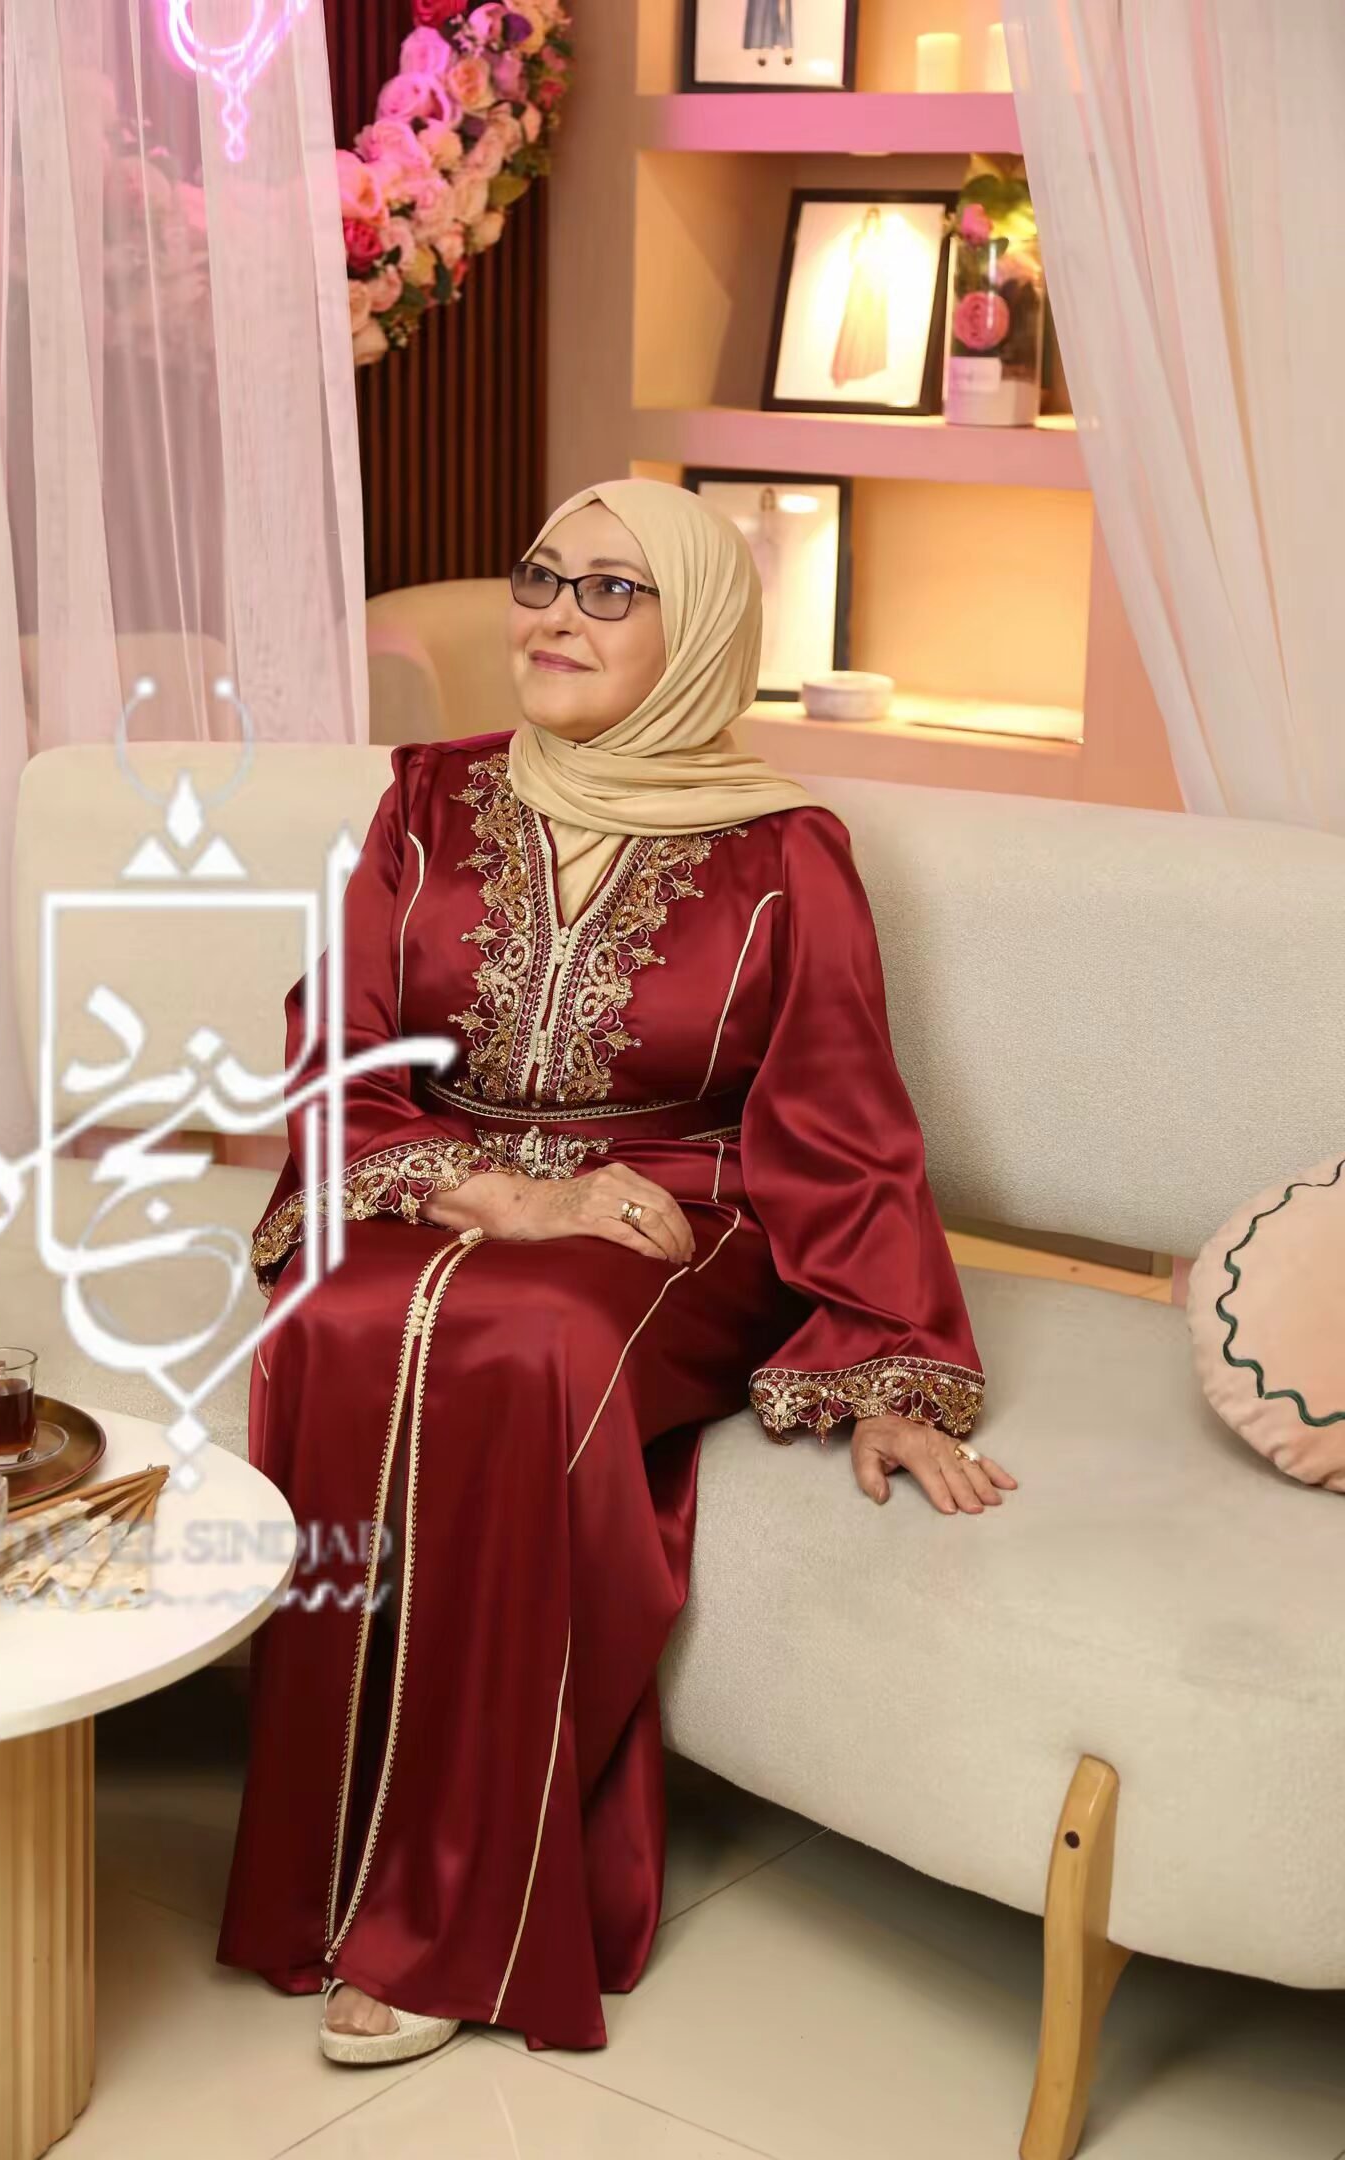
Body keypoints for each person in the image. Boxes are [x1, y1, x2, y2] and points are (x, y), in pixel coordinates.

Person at [216, 477, 1011, 2068]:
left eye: (609, 590)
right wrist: (504, 1195)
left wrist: (889, 1357)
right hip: (448, 1186)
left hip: (678, 1216)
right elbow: (340, 1043)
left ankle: (457, 1913)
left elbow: (841, 1116)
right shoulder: (429, 797)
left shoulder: (784, 852)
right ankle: (318, 1868)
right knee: (345, 1310)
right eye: (541, 578)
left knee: (533, 1341)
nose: (555, 617)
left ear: (698, 628)